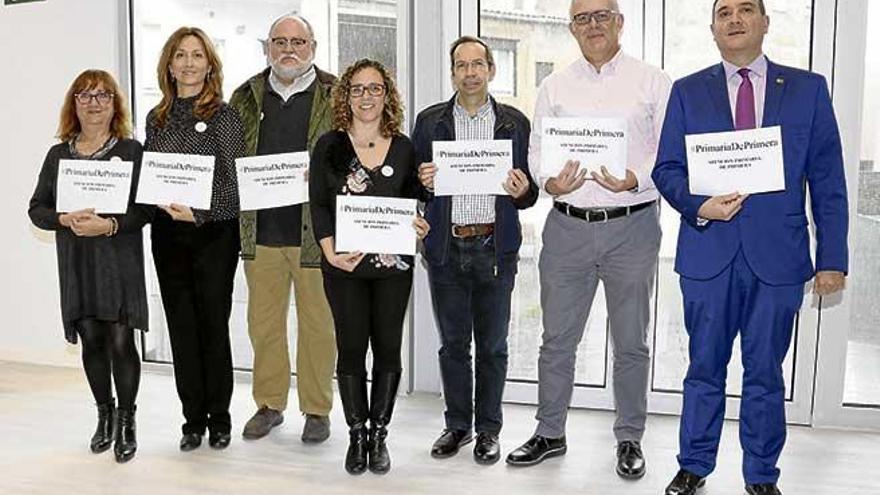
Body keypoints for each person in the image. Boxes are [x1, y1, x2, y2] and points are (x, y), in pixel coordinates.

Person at [651, 1, 848, 494]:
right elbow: (667, 170)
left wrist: (832, 260)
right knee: (703, 370)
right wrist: (701, 205)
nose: (734, 19)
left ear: (765, 22)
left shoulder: (807, 89)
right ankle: (694, 466)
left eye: (745, 9)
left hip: (778, 259)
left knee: (765, 374)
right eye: (723, 12)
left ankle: (761, 476)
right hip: (708, 253)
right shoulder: (687, 91)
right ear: (712, 28)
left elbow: (828, 181)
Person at [505, 0, 671, 480]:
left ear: (620, 22)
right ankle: (549, 432)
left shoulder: (652, 82)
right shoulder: (554, 85)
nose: (593, 25)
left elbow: (668, 152)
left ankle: (629, 438)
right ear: (572, 27)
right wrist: (549, 182)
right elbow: (538, 154)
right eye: (583, 18)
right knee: (556, 339)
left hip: (632, 226)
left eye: (602, 16)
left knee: (630, 343)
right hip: (567, 228)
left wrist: (634, 179)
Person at [412, 35, 538, 465]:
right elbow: (411, 183)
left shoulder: (515, 123)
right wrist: (422, 182)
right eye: (461, 65)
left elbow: (530, 190)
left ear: (491, 70)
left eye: (477, 64)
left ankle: (488, 430)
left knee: (493, 347)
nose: (470, 72)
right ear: (453, 73)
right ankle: (457, 426)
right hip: (447, 247)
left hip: (494, 245)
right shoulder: (429, 122)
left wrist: (523, 192)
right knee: (452, 345)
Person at [309, 58, 429, 475]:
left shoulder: (404, 146)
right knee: (351, 349)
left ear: (386, 95)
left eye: (374, 88)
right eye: (357, 88)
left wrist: (420, 221)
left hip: (394, 268)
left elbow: (416, 199)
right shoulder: (329, 146)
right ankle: (356, 433)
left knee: (388, 349)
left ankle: (380, 432)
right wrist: (329, 251)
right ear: (346, 95)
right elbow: (319, 206)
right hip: (343, 266)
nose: (366, 96)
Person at [28, 69, 151, 463]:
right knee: (92, 343)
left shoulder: (132, 151)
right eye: (85, 95)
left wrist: (111, 224)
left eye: (103, 95)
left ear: (114, 103)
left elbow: (146, 209)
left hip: (118, 259)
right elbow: (37, 209)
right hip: (78, 262)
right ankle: (104, 415)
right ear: (74, 104)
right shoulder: (58, 154)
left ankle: (127, 420)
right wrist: (63, 219)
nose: (94, 102)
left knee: (119, 341)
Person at [229, 13, 337, 444]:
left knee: (319, 325)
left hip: (317, 234)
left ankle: (317, 409)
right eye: (279, 41)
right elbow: (230, 159)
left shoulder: (336, 93)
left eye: (298, 41)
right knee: (264, 324)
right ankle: (270, 404)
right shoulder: (244, 95)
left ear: (312, 47)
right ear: (266, 48)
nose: (288, 49)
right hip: (262, 233)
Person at [145, 26, 246, 452]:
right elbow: (152, 176)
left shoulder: (224, 115)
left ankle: (219, 418)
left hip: (213, 234)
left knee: (212, 327)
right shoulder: (157, 118)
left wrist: (199, 212)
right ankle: (191, 421)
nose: (188, 63)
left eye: (197, 55)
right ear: (169, 65)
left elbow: (235, 181)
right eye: (180, 55)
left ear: (210, 64)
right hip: (168, 234)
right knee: (181, 328)